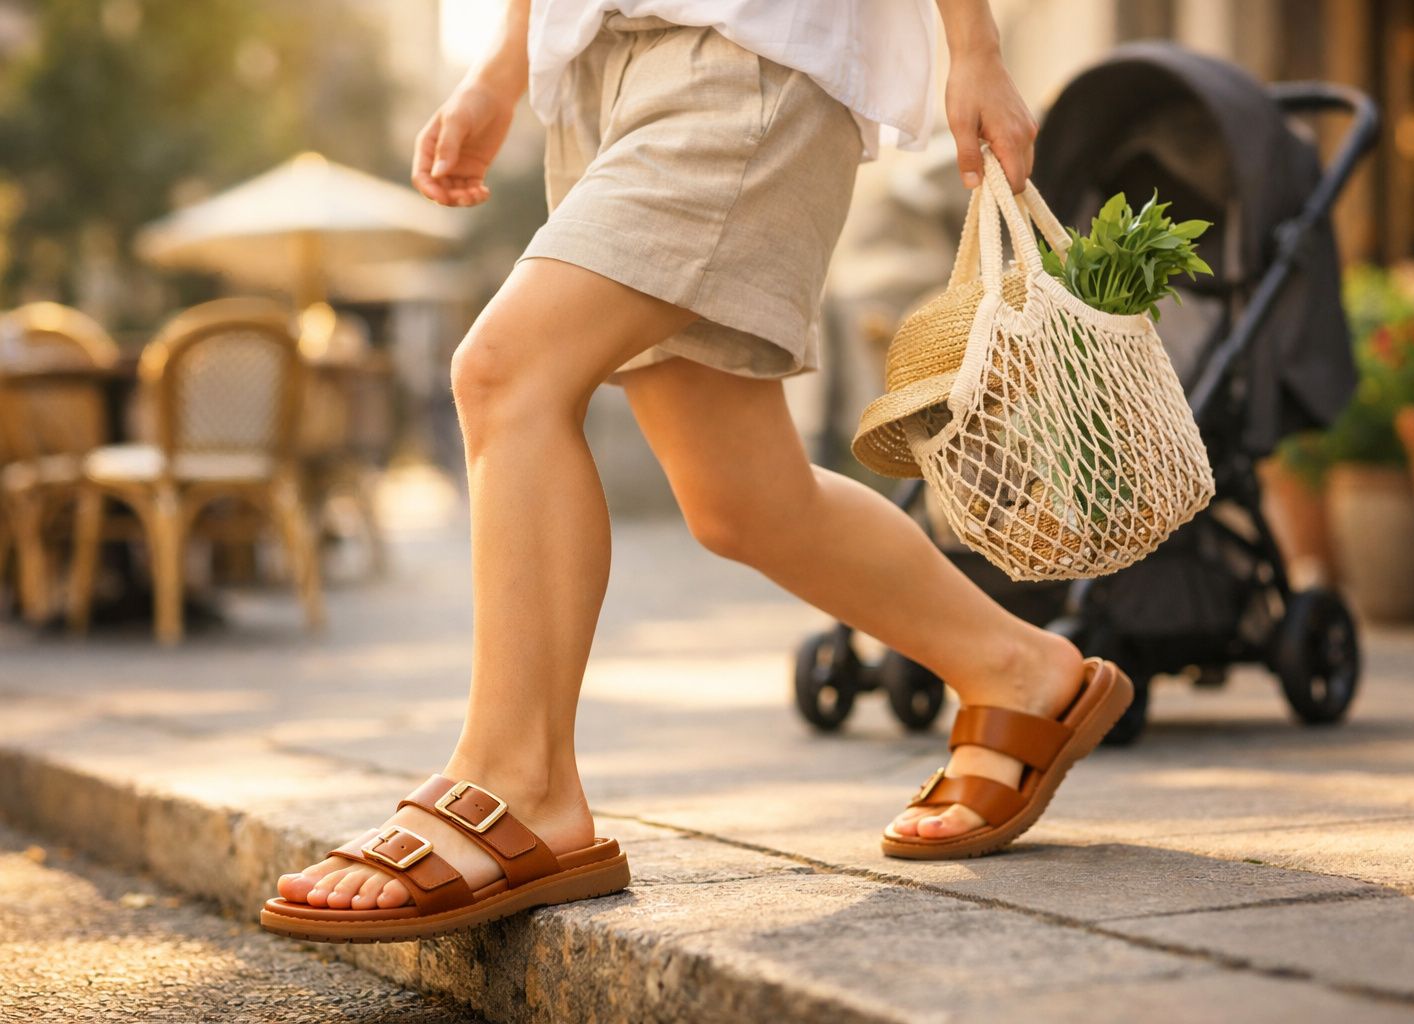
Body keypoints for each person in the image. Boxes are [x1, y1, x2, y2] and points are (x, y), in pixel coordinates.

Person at [261, 0, 1129, 944]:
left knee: (508, 373)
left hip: (745, 54)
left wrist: (975, 45)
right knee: (741, 497)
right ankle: (1015, 671)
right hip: (594, 74)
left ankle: (519, 780)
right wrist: (503, 67)